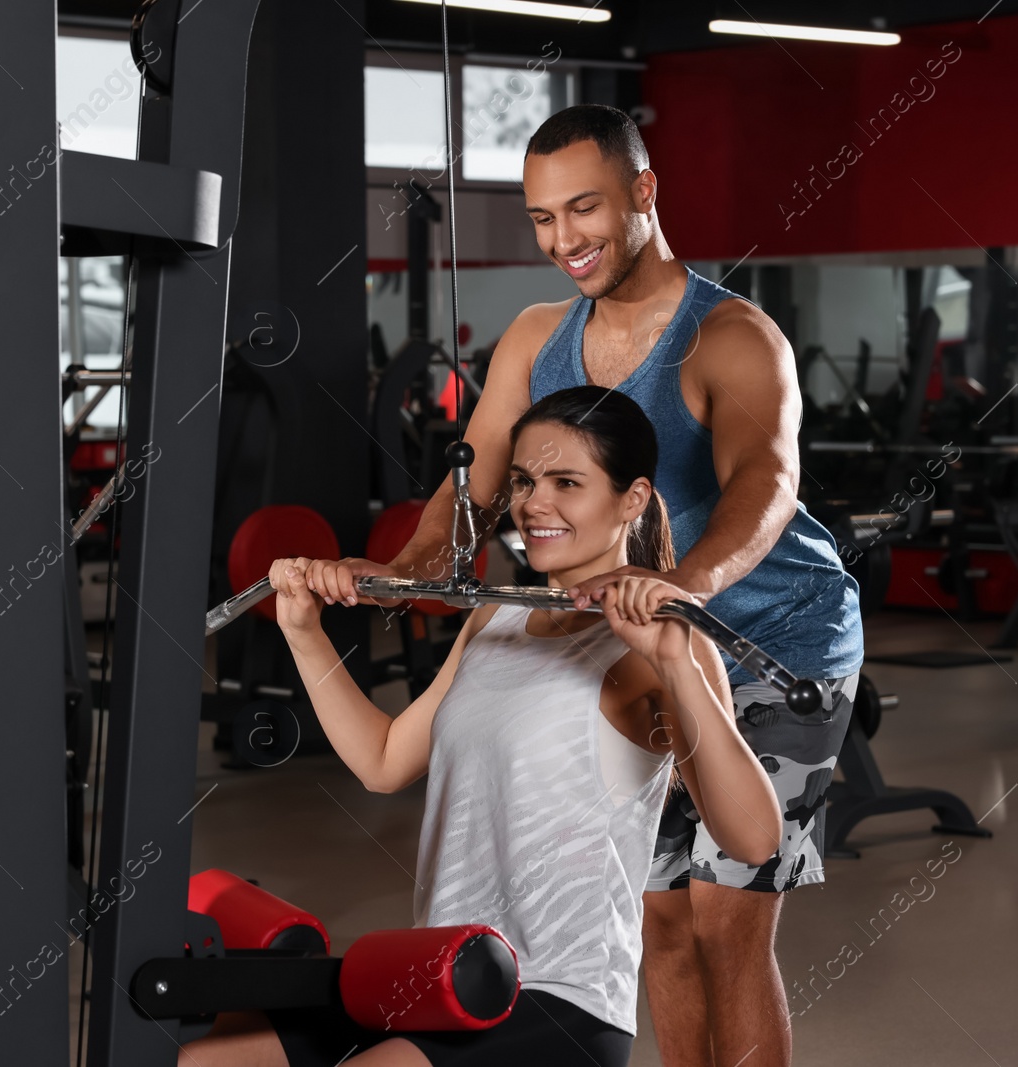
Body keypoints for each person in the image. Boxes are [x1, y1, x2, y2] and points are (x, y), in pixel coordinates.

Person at [304, 105, 864, 1066]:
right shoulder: (534, 339)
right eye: (541, 219)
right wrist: (399, 576)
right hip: (627, 656)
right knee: (662, 932)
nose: (563, 240)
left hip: (776, 640)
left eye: (584, 209)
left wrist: (676, 586)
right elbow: (467, 490)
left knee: (727, 923)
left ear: (644, 194)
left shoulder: (730, 337)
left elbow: (768, 485)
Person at [177, 387, 782, 1067]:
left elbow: (754, 839)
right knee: (210, 1059)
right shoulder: (494, 620)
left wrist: (674, 660)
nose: (534, 504)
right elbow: (383, 760)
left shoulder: (658, 648)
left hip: (557, 999)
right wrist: (303, 632)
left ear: (633, 498)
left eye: (566, 483)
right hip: (442, 971)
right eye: (523, 481)